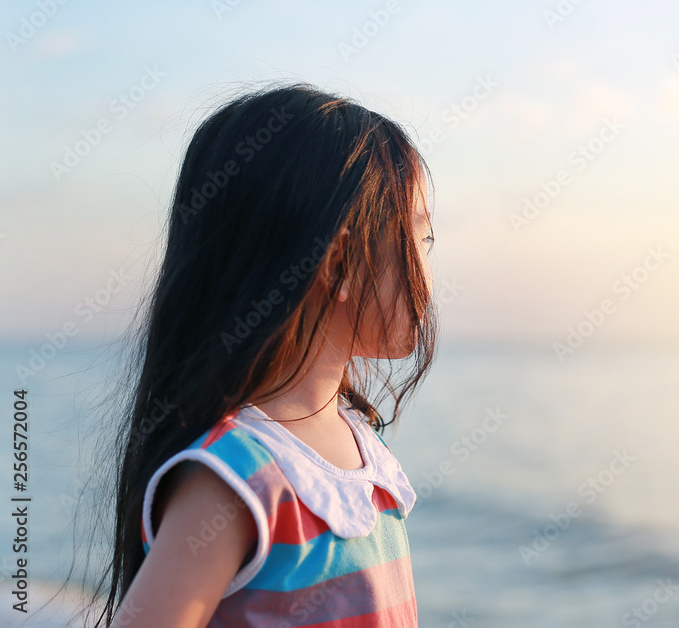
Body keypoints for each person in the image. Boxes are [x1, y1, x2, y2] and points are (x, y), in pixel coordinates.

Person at [81, 82, 438, 627]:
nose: (428, 271)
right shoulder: (234, 481)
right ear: (338, 263)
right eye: (419, 239)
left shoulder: (360, 443)